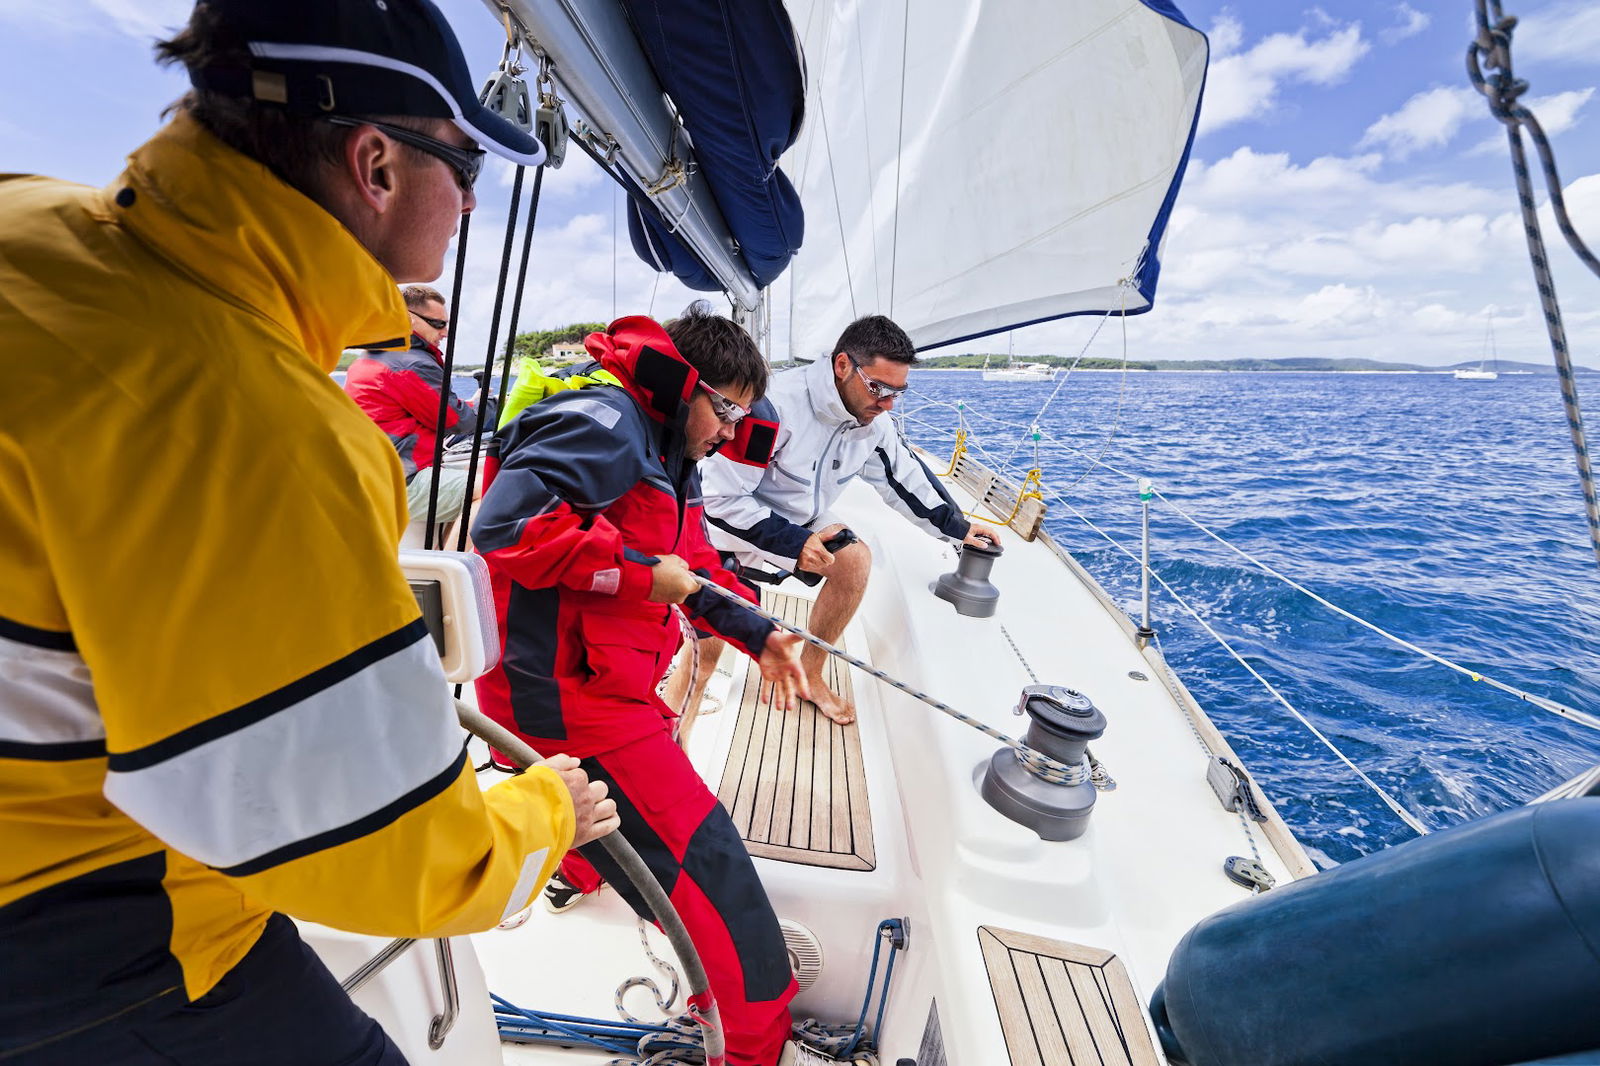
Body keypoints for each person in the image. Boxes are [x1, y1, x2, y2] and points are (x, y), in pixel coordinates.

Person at [0, 2, 618, 1063]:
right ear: (375, 165)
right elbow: (388, 856)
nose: (471, 204)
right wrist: (539, 813)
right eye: (464, 170)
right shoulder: (253, 421)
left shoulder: (30, 228)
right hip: (82, 931)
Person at [472, 309, 811, 1066]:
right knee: (708, 859)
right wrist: (640, 575)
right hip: (565, 701)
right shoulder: (604, 422)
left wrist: (760, 635)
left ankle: (576, 868)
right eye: (725, 410)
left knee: (611, 821)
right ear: (683, 384)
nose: (730, 433)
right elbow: (508, 526)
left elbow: (690, 562)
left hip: (596, 687)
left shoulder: (664, 447)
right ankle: (753, 1045)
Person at [696, 314, 1004, 724]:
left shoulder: (872, 422)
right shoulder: (774, 406)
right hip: (729, 523)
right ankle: (696, 683)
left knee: (855, 560)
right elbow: (718, 499)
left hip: (799, 517)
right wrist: (792, 542)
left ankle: (810, 672)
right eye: (879, 388)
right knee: (710, 633)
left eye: (899, 392)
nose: (888, 404)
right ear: (843, 366)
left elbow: (905, 481)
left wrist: (960, 528)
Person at [345, 285, 498, 530]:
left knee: (481, 473)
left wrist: (471, 405)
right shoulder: (412, 364)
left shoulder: (373, 358)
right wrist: (487, 405)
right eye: (438, 324)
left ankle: (445, 560)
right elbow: (459, 423)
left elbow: (427, 410)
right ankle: (453, 569)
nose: (445, 332)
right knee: (494, 491)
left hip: (373, 477)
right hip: (400, 482)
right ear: (409, 319)